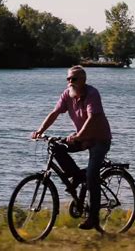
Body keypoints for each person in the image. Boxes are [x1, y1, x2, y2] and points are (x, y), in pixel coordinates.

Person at [32, 65, 111, 230]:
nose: (70, 82)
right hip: (82, 137)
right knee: (56, 147)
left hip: (99, 140)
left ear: (83, 80)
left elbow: (92, 118)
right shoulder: (68, 94)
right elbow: (54, 113)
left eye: (73, 79)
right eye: (68, 79)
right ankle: (76, 176)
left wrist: (79, 136)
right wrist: (40, 131)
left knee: (91, 176)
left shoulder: (92, 94)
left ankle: (93, 218)